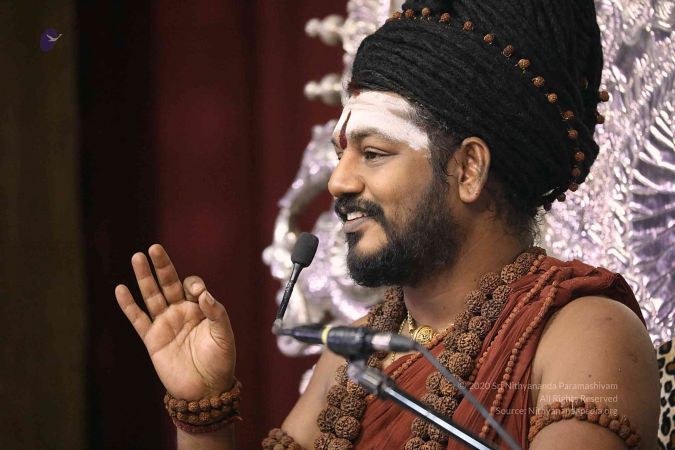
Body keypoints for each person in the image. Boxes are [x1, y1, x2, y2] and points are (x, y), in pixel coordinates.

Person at [114, 0, 660, 448]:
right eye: (341, 154)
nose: (338, 181)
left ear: (468, 169)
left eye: (373, 153)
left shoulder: (586, 332)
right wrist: (203, 414)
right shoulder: (353, 351)